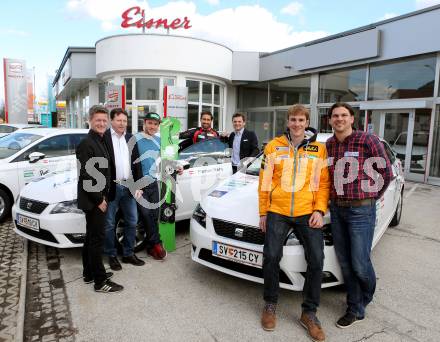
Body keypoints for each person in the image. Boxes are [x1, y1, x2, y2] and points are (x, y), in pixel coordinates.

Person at [258, 104, 329, 342]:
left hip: (306, 210)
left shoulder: (319, 149)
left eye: (301, 120)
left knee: (317, 259)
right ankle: (270, 304)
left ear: (306, 123)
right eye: (293, 120)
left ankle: (309, 313)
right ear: (287, 122)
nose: (297, 124)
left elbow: (323, 184)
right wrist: (263, 212)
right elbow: (264, 182)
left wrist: (320, 209)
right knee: (271, 255)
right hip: (277, 210)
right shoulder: (273, 146)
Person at [326, 102, 394, 328]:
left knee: (359, 263)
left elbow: (385, 172)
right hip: (336, 209)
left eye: (344, 115)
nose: (339, 119)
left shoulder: (368, 140)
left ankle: (365, 296)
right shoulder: (329, 144)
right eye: (335, 116)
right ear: (330, 120)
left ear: (352, 118)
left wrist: (371, 197)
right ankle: (355, 307)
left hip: (360, 210)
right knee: (345, 262)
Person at [76, 105, 123, 293]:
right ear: (90, 121)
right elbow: (87, 175)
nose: (102, 123)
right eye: (98, 120)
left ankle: (89, 273)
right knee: (97, 240)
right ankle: (100, 281)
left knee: (90, 239)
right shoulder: (87, 143)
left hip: (99, 198)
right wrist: (99, 200)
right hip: (95, 200)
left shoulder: (100, 140)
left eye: (104, 120)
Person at [103, 108, 145, 271]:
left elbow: (137, 163)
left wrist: (139, 185)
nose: (122, 124)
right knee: (109, 224)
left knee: (132, 221)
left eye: (125, 121)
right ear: (111, 121)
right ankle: (112, 255)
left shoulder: (130, 138)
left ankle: (128, 253)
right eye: (119, 120)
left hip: (129, 186)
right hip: (111, 187)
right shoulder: (104, 137)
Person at [134, 112, 168, 261]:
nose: (152, 126)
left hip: (153, 183)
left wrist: (177, 166)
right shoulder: (135, 139)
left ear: (158, 126)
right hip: (139, 184)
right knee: (146, 215)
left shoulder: (160, 140)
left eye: (155, 124)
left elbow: (166, 158)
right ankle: (157, 243)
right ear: (145, 123)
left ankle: (150, 248)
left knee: (154, 216)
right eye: (150, 123)